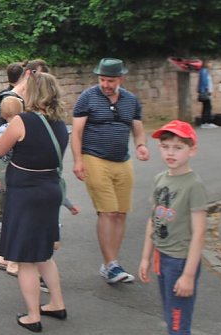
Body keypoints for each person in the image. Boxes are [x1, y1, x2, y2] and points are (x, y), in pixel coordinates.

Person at [0, 72, 69, 332]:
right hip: (50, 190)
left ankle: (33, 315)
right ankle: (56, 302)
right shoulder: (59, 124)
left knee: (25, 259)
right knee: (44, 253)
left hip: (26, 194)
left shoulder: (22, 121)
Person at [71, 57, 148, 284]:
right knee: (107, 211)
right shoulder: (87, 97)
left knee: (121, 212)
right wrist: (78, 160)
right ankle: (112, 264)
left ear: (121, 79)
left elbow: (138, 129)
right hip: (94, 158)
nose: (106, 84)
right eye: (102, 79)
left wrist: (141, 145)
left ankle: (110, 263)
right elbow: (76, 132)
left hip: (122, 160)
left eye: (110, 80)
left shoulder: (131, 100)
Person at [139, 121, 207, 335]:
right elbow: (153, 220)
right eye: (166, 146)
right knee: (170, 315)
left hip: (180, 261)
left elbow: (199, 232)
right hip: (162, 256)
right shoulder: (160, 179)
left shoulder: (194, 185)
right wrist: (145, 257)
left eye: (178, 148)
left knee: (178, 323)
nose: (171, 153)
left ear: (192, 150)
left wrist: (188, 274)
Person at [197, 61, 217, 129]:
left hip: (206, 91)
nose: (211, 65)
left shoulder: (205, 71)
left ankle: (205, 122)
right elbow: (204, 82)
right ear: (206, 64)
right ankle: (206, 122)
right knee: (207, 107)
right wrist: (207, 90)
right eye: (210, 63)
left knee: (206, 107)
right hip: (206, 92)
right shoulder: (204, 71)